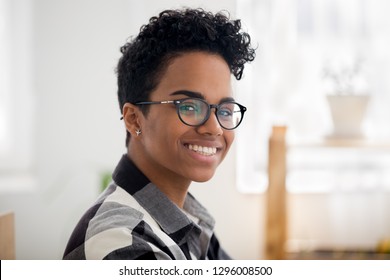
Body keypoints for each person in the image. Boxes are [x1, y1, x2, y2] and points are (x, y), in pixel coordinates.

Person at [63, 8, 255, 260]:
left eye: (225, 110)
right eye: (189, 106)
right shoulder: (123, 242)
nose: (214, 128)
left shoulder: (187, 218)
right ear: (134, 119)